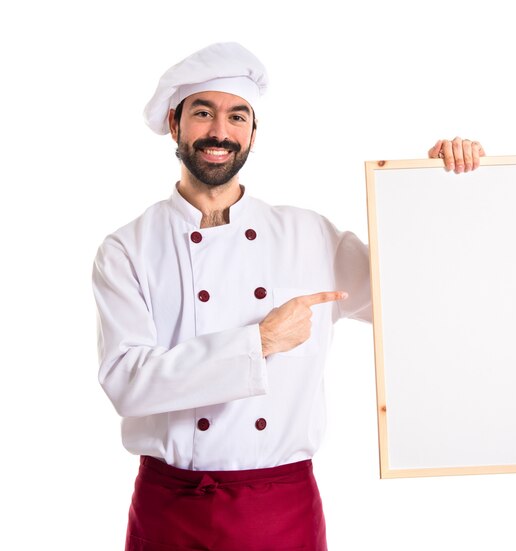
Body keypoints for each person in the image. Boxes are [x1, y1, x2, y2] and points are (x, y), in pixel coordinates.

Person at [92, 42, 484, 551]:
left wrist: (436, 188)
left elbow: (414, 297)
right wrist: (259, 342)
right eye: (202, 113)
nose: (219, 131)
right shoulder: (127, 249)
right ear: (175, 124)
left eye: (237, 116)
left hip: (283, 509)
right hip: (172, 510)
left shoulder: (310, 236)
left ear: (253, 132)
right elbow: (127, 384)